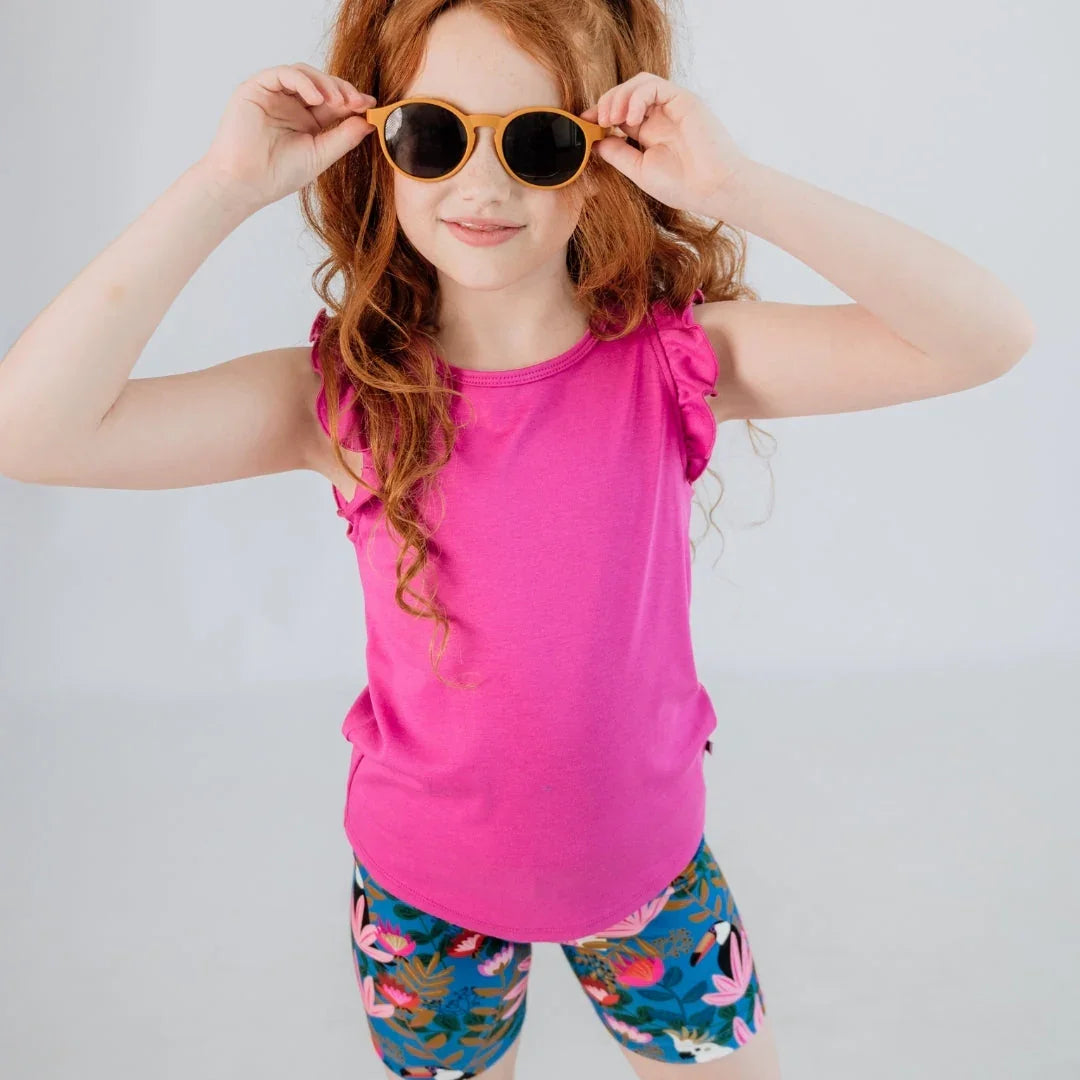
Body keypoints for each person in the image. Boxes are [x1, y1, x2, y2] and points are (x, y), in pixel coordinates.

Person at [0, 1, 1035, 1078]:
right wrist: (219, 188)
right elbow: (32, 429)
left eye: (539, 143)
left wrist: (740, 189)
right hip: (422, 898)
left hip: (652, 876)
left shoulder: (677, 364)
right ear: (382, 149)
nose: (482, 187)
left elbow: (984, 334)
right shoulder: (342, 400)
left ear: (601, 161)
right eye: (435, 136)